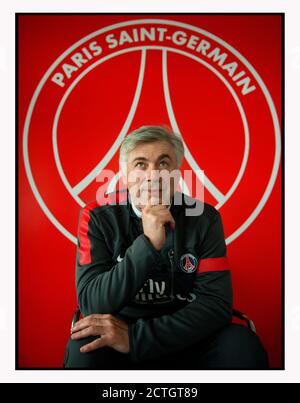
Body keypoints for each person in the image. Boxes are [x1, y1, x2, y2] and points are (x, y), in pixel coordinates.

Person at [64, 126, 268, 369]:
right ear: (125, 174)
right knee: (84, 348)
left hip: (185, 334)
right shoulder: (97, 216)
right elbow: (92, 304)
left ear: (177, 172)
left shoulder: (205, 217)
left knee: (241, 347)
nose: (153, 175)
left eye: (163, 163)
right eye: (140, 164)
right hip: (118, 334)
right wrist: (148, 244)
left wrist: (136, 338)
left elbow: (215, 306)